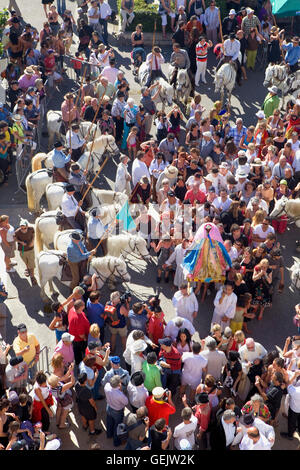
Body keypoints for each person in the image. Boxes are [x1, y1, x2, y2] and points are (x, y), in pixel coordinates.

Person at [104, 375, 128, 447]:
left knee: (109, 422)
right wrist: (121, 390)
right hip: (117, 411)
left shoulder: (106, 386)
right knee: (117, 427)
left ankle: (109, 434)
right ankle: (116, 442)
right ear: (119, 384)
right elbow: (126, 402)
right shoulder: (120, 394)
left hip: (109, 407)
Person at [68, 299, 90, 366]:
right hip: (79, 340)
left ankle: (79, 362)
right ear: (80, 307)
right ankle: (80, 364)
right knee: (79, 352)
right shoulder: (78, 319)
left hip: (74, 337)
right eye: (83, 305)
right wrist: (85, 338)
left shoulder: (72, 310)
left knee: (76, 351)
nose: (84, 305)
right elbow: (81, 334)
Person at [14, 219, 37, 286]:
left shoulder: (31, 229)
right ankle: (27, 269)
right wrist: (21, 242)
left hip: (30, 249)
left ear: (27, 226)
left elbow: (33, 234)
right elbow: (15, 239)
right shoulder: (17, 232)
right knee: (26, 262)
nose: (23, 229)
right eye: (22, 228)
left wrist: (32, 241)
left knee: (31, 263)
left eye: (25, 228)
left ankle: (32, 277)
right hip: (22, 250)